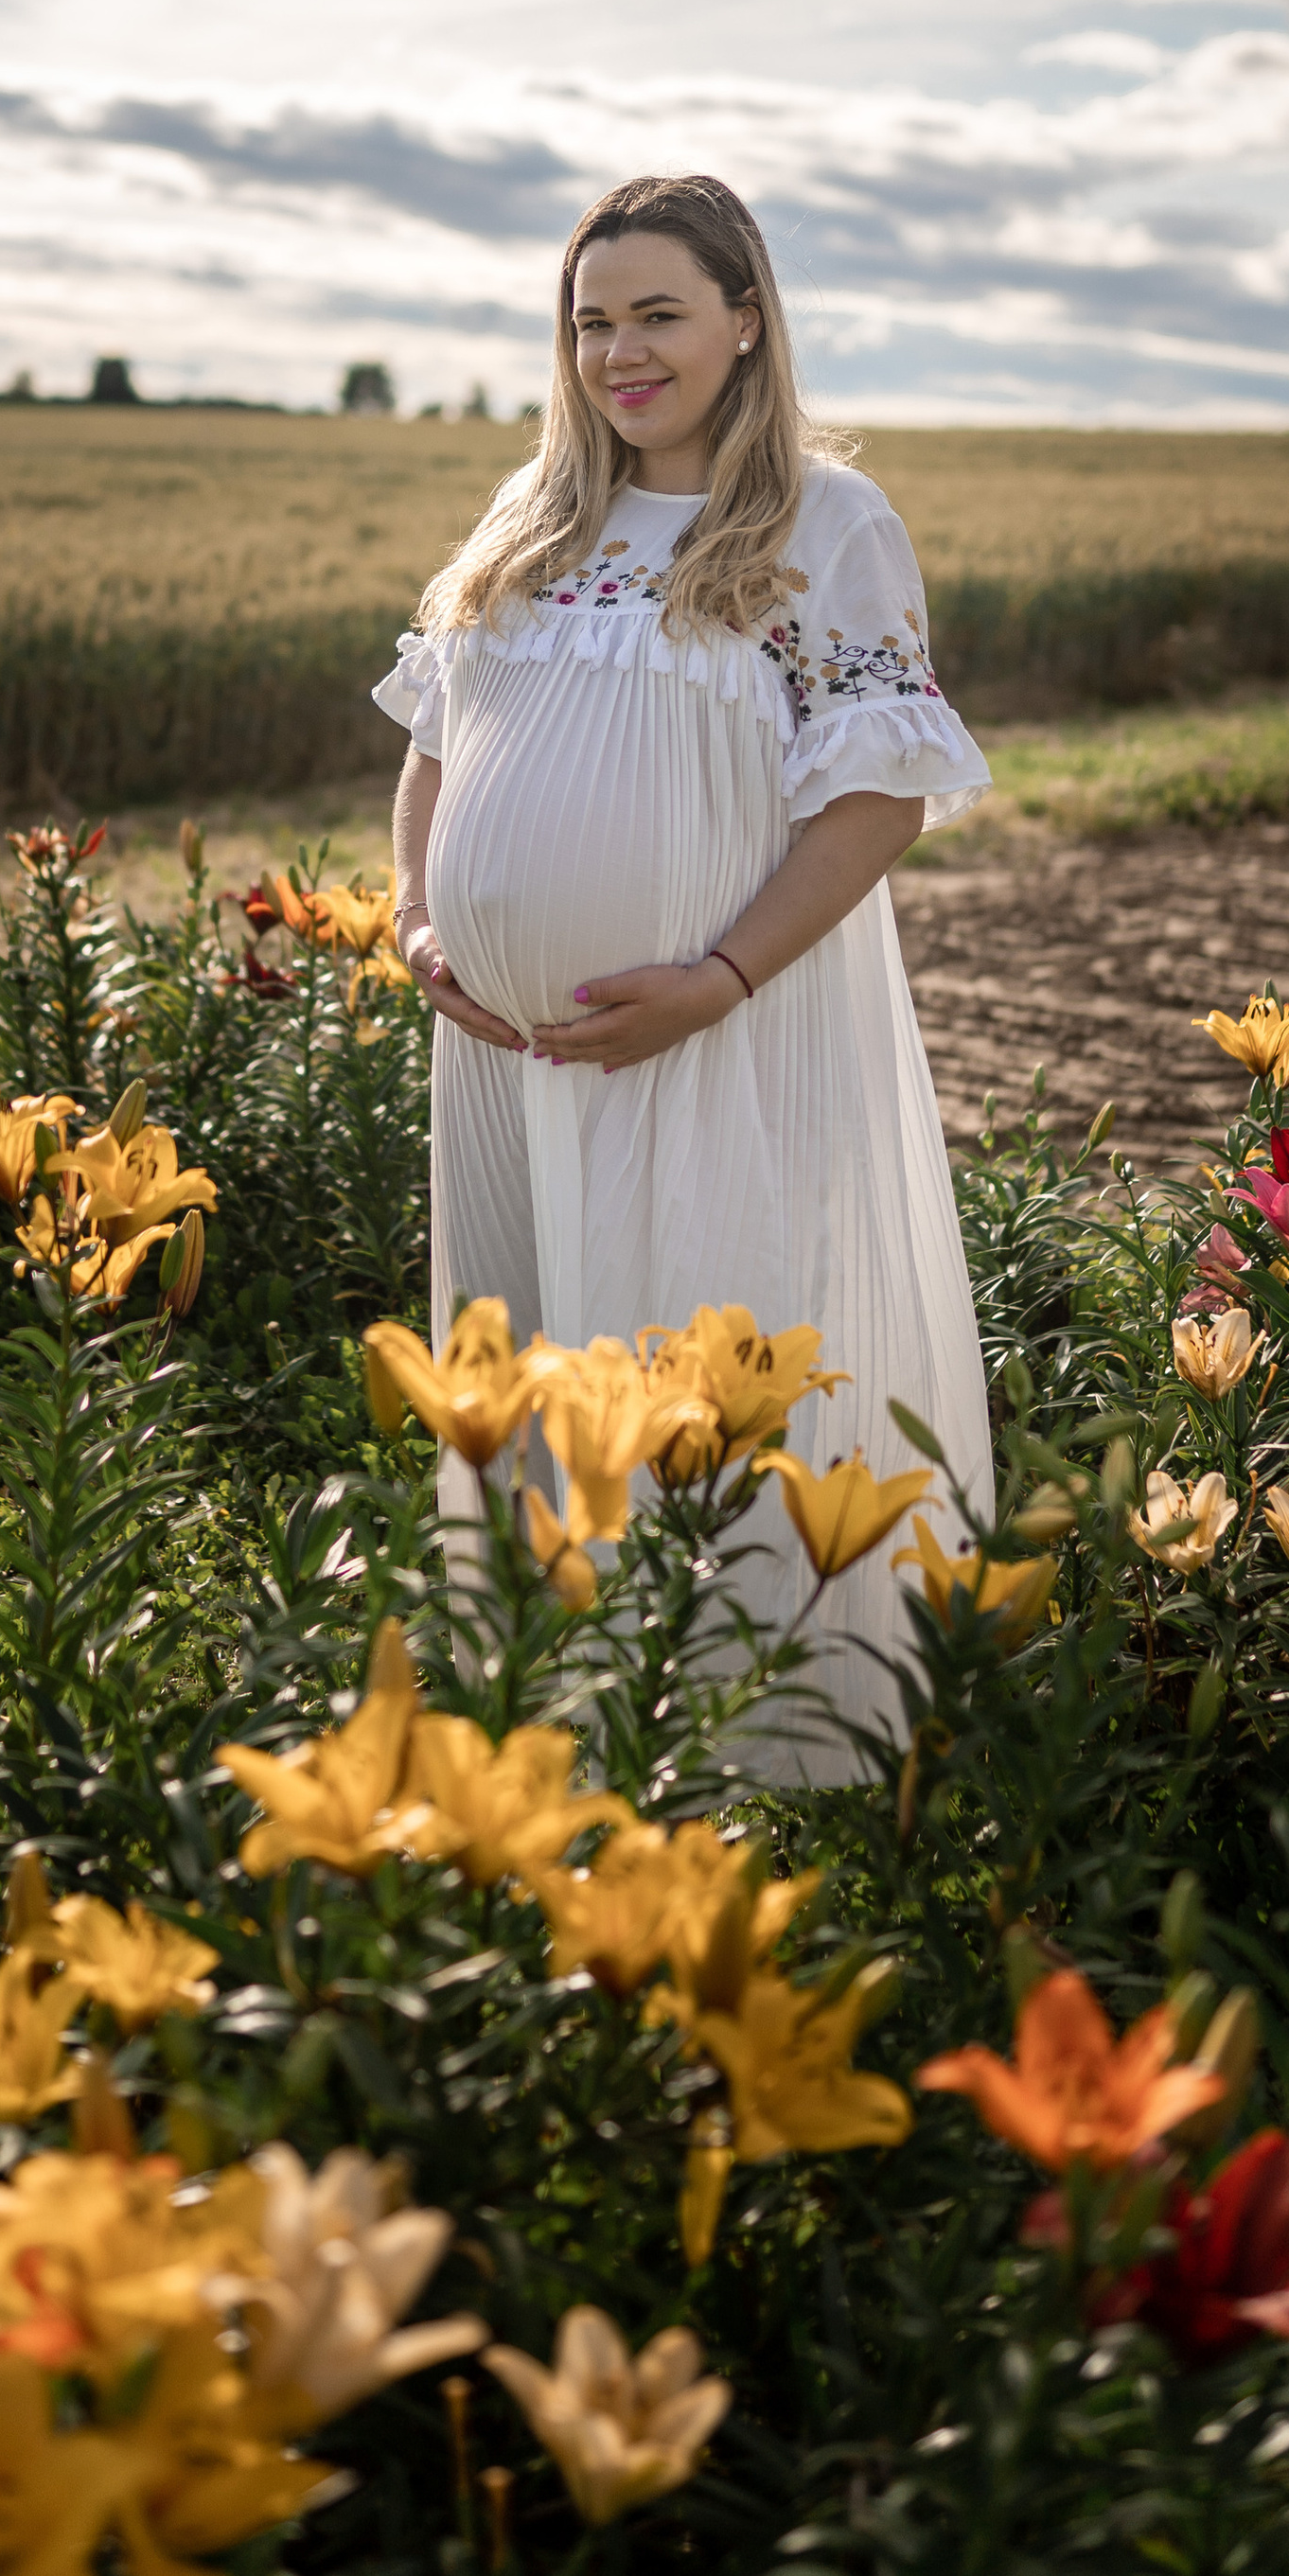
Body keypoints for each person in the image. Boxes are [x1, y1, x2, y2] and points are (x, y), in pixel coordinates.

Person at [375, 172, 996, 1748]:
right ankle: (548, 1738)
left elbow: (878, 802)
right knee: (529, 1367)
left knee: (693, 1374)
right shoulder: (532, 515)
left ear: (745, 319)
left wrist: (717, 979)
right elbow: (439, 749)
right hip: (502, 1064)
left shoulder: (823, 526)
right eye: (591, 323)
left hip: (714, 1040)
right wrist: (418, 918)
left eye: (657, 314)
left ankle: (739, 1750)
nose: (619, 354)